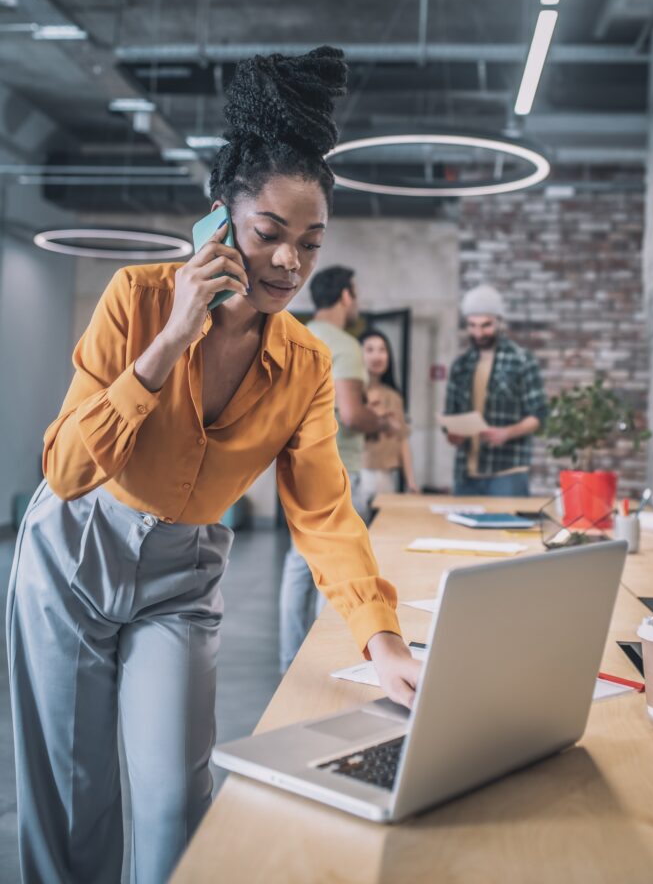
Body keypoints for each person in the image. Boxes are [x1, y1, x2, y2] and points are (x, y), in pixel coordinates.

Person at [6, 47, 419, 884]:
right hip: (73, 553)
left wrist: (381, 639)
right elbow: (69, 466)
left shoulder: (304, 362)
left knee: (171, 802)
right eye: (270, 234)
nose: (289, 265)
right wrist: (170, 343)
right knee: (75, 807)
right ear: (221, 220)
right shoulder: (138, 300)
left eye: (309, 244)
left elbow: (325, 514)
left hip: (182, 578)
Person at [278, 266, 400, 673]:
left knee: (299, 564)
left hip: (293, 464)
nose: (358, 302)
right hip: (338, 467)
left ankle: (291, 658)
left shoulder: (295, 334)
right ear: (346, 296)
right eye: (356, 294)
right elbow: (350, 415)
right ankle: (322, 657)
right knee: (339, 565)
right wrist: (380, 422)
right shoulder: (345, 345)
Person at [444, 283, 547, 497]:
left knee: (506, 530)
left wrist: (507, 433)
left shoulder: (521, 360)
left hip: (507, 472)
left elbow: (539, 414)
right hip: (466, 473)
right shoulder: (460, 365)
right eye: (472, 325)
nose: (478, 332)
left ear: (500, 322)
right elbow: (450, 415)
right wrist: (452, 434)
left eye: (486, 325)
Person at [359, 329, 419, 506]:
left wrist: (411, 482)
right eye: (369, 350)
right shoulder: (352, 394)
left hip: (386, 476)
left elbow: (402, 440)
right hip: (357, 474)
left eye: (382, 349)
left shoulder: (394, 397)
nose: (377, 356)